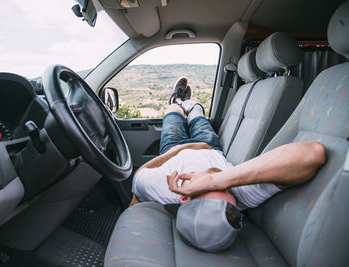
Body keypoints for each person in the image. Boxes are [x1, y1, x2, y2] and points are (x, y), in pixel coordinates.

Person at [131, 77, 326, 251]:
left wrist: (182, 149)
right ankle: (189, 103)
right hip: (210, 147)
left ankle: (176, 100)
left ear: (185, 198)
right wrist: (219, 179)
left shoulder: (161, 188)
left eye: (207, 189)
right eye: (223, 188)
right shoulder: (240, 193)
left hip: (173, 150)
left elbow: (140, 174)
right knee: (197, 112)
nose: (224, 188)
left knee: (172, 113)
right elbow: (312, 154)